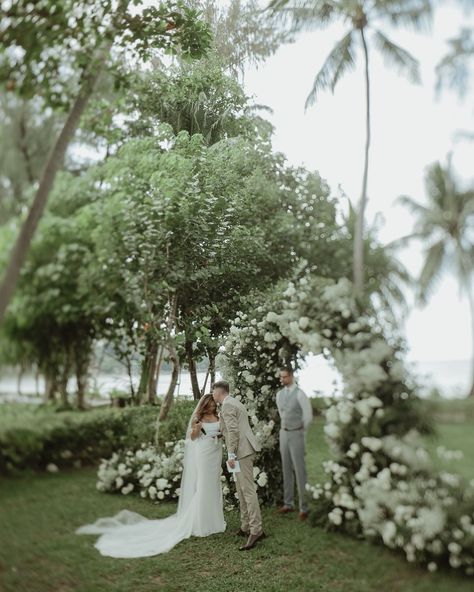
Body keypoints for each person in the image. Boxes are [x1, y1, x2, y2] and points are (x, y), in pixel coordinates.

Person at [76, 394, 226, 557]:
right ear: (204, 404)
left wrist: (220, 436)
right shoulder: (198, 418)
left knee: (213, 485)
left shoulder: (218, 416)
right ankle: (201, 523)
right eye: (210, 403)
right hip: (203, 454)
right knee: (203, 486)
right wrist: (196, 430)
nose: (212, 405)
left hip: (215, 453)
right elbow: (192, 438)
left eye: (213, 403)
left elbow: (222, 432)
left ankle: (215, 521)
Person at [212, 380, 265, 551]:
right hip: (241, 450)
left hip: (240, 452)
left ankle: (256, 530)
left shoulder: (227, 406)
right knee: (240, 489)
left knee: (247, 491)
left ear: (219, 392)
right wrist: (221, 435)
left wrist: (232, 454)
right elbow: (231, 429)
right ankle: (245, 527)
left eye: (213, 392)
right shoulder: (234, 402)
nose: (212, 395)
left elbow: (234, 431)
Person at [276, 366, 313, 520]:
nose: (282, 379)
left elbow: (308, 416)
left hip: (297, 433)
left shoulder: (300, 394)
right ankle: (288, 503)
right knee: (286, 468)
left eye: (284, 377)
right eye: (281, 377)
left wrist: (300, 431)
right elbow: (281, 413)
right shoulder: (279, 394)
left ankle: (304, 507)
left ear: (291, 376)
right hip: (283, 433)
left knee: (299, 470)